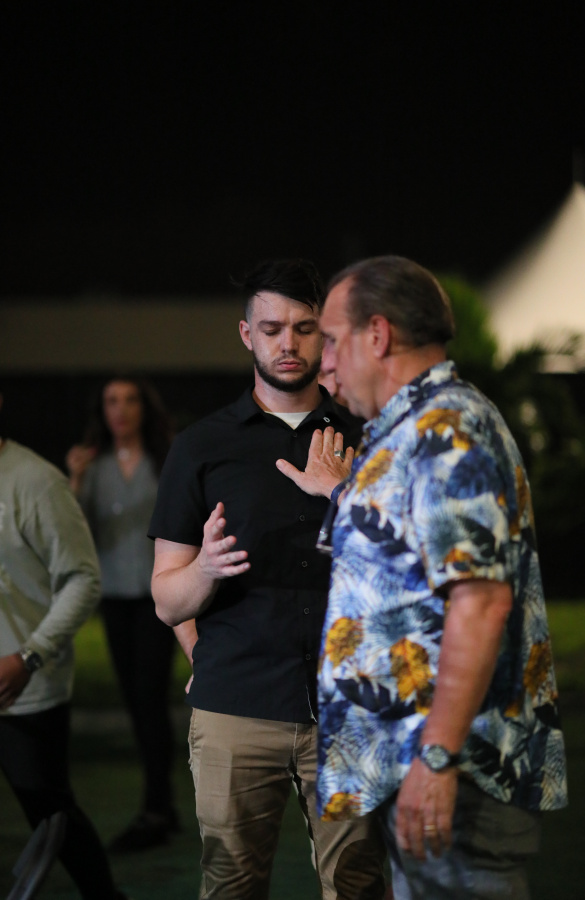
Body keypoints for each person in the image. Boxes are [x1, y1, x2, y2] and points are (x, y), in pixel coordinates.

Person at [277, 256, 568, 899]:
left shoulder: (447, 428)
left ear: (378, 335)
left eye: (332, 340)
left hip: (454, 772)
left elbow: (480, 601)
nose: (323, 363)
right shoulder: (413, 429)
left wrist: (436, 757)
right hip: (424, 767)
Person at [149, 259, 387, 899]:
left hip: (351, 702)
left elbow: (410, 569)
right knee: (231, 884)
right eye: (272, 328)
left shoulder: (370, 438)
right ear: (246, 334)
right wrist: (205, 570)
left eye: (304, 329)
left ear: (324, 335)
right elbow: (167, 600)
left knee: (359, 885)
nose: (289, 343)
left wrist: (349, 498)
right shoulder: (200, 447)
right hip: (237, 703)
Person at [0, 391, 128, 900]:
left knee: (51, 814)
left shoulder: (35, 481)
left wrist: (29, 656)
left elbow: (82, 578)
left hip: (21, 688)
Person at [66, 376, 178, 852]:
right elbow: (75, 533)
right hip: (114, 597)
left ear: (143, 408)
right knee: (136, 700)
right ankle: (163, 804)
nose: (121, 409)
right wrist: (74, 480)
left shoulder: (164, 460)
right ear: (103, 409)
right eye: (112, 400)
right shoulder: (94, 467)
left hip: (157, 597)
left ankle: (156, 809)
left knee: (150, 698)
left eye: (130, 399)